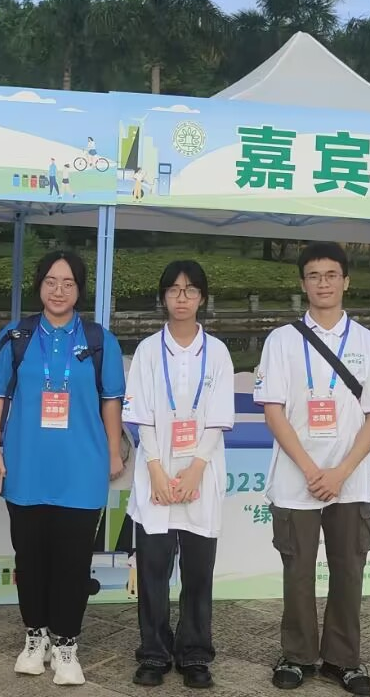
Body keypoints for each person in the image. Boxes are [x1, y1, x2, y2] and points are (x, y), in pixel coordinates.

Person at [253, 242, 370, 696]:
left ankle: (343, 659)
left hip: (351, 480)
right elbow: (273, 409)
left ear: (346, 281)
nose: (323, 283)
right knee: (297, 571)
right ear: (303, 283)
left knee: (348, 570)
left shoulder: (369, 343)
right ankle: (297, 656)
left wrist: (339, 472)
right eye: (314, 275)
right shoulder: (281, 340)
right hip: (295, 478)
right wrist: (311, 468)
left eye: (331, 274)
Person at [0, 250, 126, 686]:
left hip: (81, 469)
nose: (59, 290)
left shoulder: (100, 340)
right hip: (26, 466)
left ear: (80, 289)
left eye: (68, 283)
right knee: (29, 559)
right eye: (51, 281)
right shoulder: (16, 336)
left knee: (72, 562)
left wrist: (114, 452)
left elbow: (111, 401)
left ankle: (66, 644)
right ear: (39, 285)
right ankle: (35, 636)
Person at [122, 260, 234, 689]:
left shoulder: (218, 352)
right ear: (163, 297)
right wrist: (155, 469)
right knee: (153, 571)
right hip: (156, 475)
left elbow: (218, 417)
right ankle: (153, 652)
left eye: (190, 290)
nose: (182, 298)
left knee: (198, 573)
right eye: (174, 290)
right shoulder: (148, 351)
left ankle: (194, 654)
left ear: (202, 297)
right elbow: (142, 416)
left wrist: (195, 470)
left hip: (201, 476)